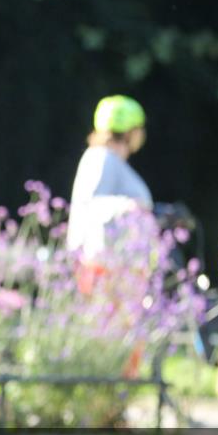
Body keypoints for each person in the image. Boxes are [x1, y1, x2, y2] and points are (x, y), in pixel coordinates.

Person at [67, 95, 153, 374]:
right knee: (111, 330)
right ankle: (111, 391)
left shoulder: (110, 160)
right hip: (107, 265)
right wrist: (132, 207)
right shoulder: (101, 158)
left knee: (121, 331)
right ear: (131, 131)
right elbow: (92, 203)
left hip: (118, 263)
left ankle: (118, 394)